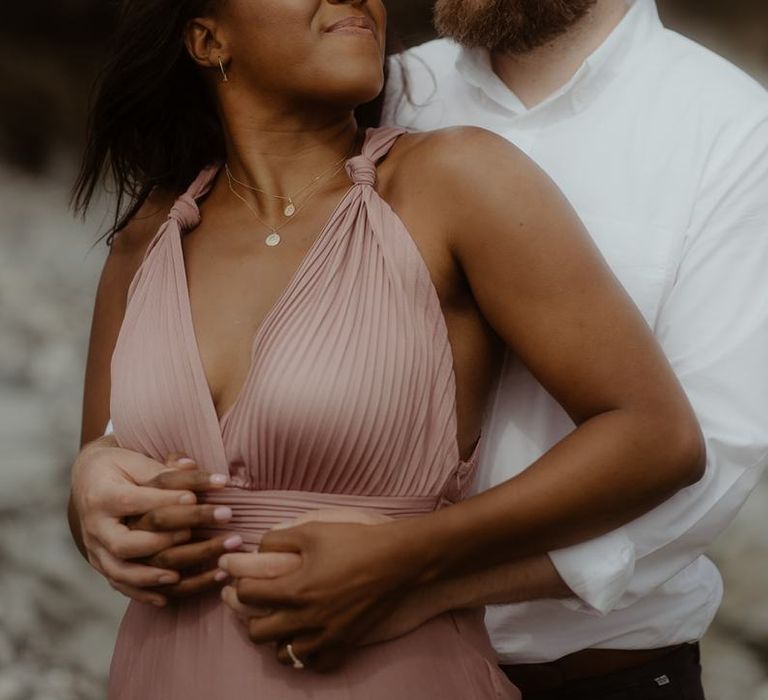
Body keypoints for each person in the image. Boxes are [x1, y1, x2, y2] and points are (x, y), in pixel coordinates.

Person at [68, 0, 707, 698]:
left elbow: (657, 436)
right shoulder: (150, 236)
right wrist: (96, 511)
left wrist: (412, 556)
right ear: (207, 37)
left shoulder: (454, 182)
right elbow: (100, 484)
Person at [369, 0, 768, 697]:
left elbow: (715, 454)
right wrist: (113, 456)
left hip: (600, 679)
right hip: (361, 670)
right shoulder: (383, 91)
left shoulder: (733, 130)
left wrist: (428, 579)